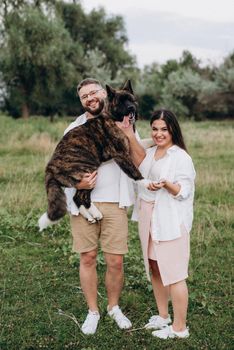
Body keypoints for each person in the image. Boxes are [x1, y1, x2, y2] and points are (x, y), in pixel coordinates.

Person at [64, 78, 145, 335]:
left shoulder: (124, 120)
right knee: (87, 258)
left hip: (115, 202)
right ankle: (93, 311)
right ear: (81, 102)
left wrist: (129, 133)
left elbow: (140, 158)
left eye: (94, 92)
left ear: (104, 93)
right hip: (84, 203)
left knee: (115, 261)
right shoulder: (73, 128)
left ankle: (113, 307)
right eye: (84, 96)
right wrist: (79, 183)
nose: (90, 98)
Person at [135, 109, 196, 339]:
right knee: (156, 268)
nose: (159, 134)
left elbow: (184, 191)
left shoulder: (180, 157)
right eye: (155, 129)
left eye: (164, 129)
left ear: (173, 130)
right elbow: (139, 179)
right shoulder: (150, 152)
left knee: (175, 274)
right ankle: (163, 316)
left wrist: (166, 184)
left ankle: (180, 329)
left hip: (170, 220)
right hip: (148, 217)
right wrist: (148, 185)